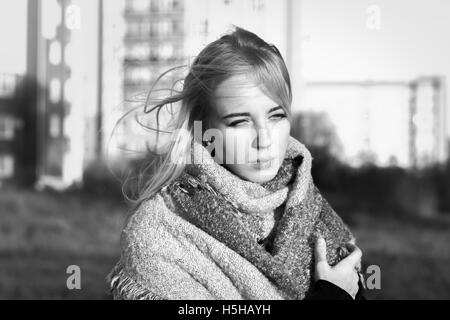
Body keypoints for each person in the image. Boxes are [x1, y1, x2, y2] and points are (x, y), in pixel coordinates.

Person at [107, 26, 365, 300]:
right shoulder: (159, 236)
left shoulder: (310, 208)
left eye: (276, 116)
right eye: (240, 122)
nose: (264, 139)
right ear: (203, 130)